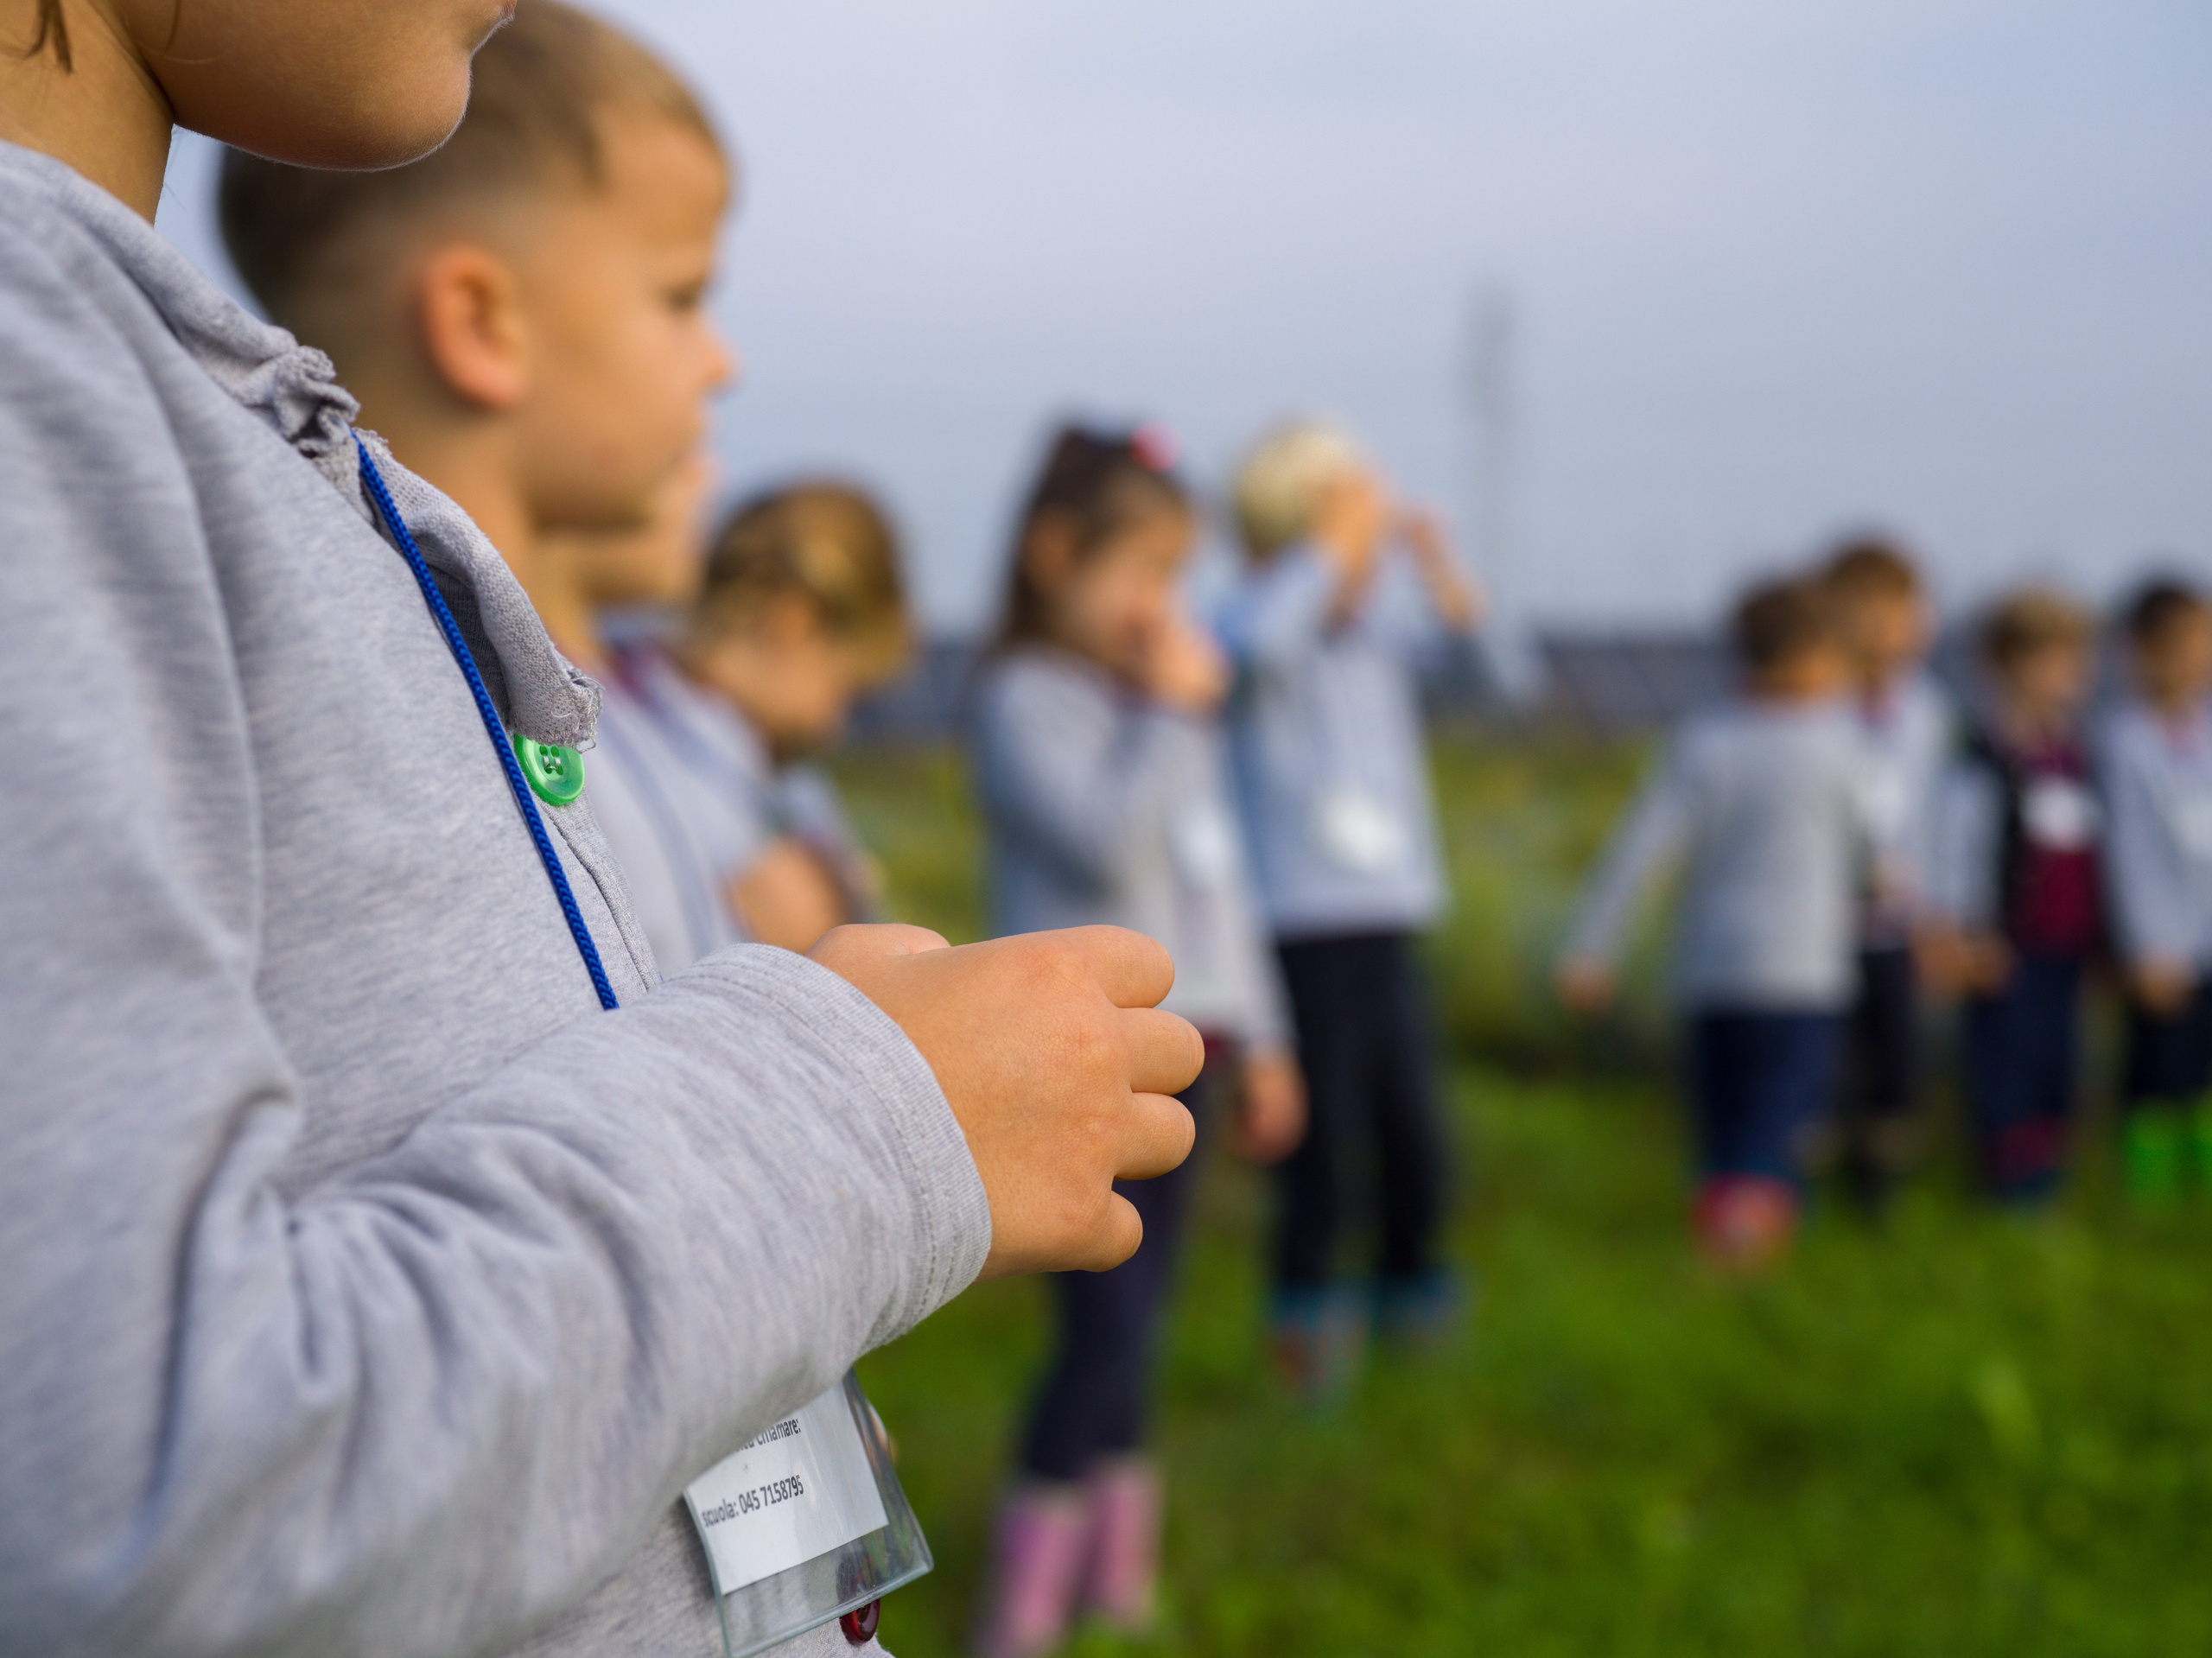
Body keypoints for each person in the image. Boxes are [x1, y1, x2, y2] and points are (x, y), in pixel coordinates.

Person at [0, 7, 1201, 1658]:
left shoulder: (188, 419)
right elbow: (127, 1500)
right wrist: (865, 1114)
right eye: (686, 298)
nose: (724, 362)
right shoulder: (32, 378)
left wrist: (759, 1335)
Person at [968, 425, 1306, 1658]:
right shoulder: (1023, 700)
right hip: (1079, 1057)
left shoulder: (1159, 713)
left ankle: (1118, 1581)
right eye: (1142, 572)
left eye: (1177, 577)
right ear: (1056, 555)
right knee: (1103, 1328)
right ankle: (1021, 1608)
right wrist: (1174, 717)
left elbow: (1220, 889)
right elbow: (1110, 842)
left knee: (1144, 1322)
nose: (1161, 608)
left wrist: (1266, 1040)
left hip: (1191, 1051)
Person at [1215, 418, 1481, 1396]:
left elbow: (1497, 673)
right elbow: (1254, 647)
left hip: (1385, 915)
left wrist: (1432, 562)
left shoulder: (1372, 642)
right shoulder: (1243, 621)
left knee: (1415, 1136)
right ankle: (1306, 1351)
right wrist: (1329, 547)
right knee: (1318, 1151)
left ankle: (1415, 1325)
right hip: (1296, 922)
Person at [1557, 578, 1869, 1267]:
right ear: (1815, 656)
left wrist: (1591, 947)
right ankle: (1745, 1274)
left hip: (1711, 973)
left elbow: (1640, 853)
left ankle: (1723, 1250)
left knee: (1724, 1134)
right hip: (1802, 976)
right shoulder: (1839, 745)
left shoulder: (1703, 740)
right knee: (1778, 1133)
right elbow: (1882, 856)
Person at [1922, 590, 2102, 1204]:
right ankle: (2012, 1190)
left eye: (2075, 658)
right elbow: (1955, 850)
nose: (2067, 675)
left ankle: (2049, 1178)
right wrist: (1961, 933)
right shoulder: (1984, 757)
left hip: (2069, 943)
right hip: (2006, 945)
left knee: (2061, 1064)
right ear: (2004, 664)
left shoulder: (2078, 756)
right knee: (2006, 1067)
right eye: (2050, 659)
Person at [1822, 537, 1951, 1211]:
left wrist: (1934, 914)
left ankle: (1878, 1204)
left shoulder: (1926, 710)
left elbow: (1931, 817)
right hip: (1819, 926)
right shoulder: (1815, 704)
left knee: (1897, 1069)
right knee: (1825, 1069)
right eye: (1874, 610)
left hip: (1897, 923)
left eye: (1905, 610)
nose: (1893, 627)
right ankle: (1802, 1198)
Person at [2101, 578, 2212, 1202]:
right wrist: (2148, 943)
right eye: (2183, 645)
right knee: (2157, 1065)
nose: (2198, 660)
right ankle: (2151, 1188)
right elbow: (2130, 853)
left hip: (2208, 930)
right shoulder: (2122, 739)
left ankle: (2202, 1180)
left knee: (2203, 1062)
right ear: (2141, 652)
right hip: (2163, 944)